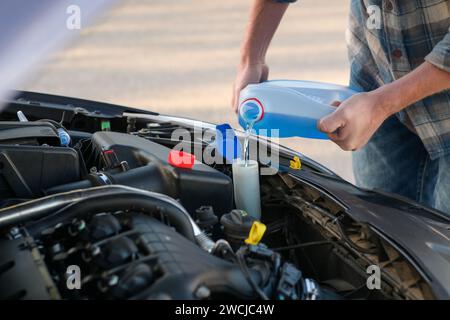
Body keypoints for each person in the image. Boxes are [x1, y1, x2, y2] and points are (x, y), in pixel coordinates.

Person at [232, 0, 450, 215]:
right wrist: (251, 58)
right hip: (375, 75)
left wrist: (381, 104)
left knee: (444, 239)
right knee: (380, 222)